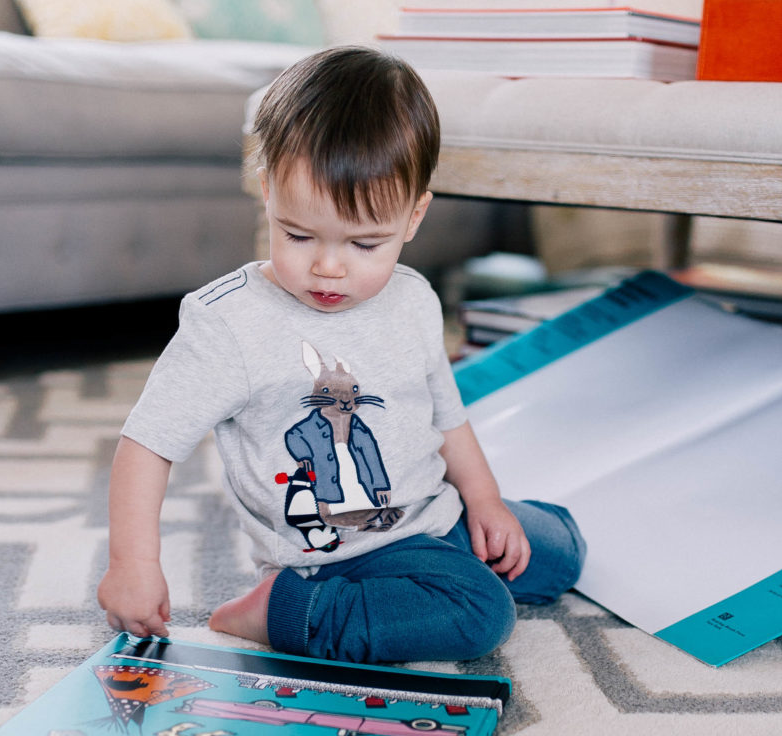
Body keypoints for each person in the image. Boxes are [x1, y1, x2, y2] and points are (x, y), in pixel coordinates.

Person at [97, 46, 585, 664]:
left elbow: (446, 416)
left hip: (432, 511)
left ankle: (429, 573)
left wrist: (484, 503)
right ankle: (284, 611)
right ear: (268, 191)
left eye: (365, 243)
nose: (328, 266)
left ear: (414, 216)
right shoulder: (228, 324)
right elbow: (147, 443)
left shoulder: (413, 298)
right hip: (334, 551)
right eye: (299, 235)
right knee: (482, 613)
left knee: (561, 548)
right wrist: (132, 564)